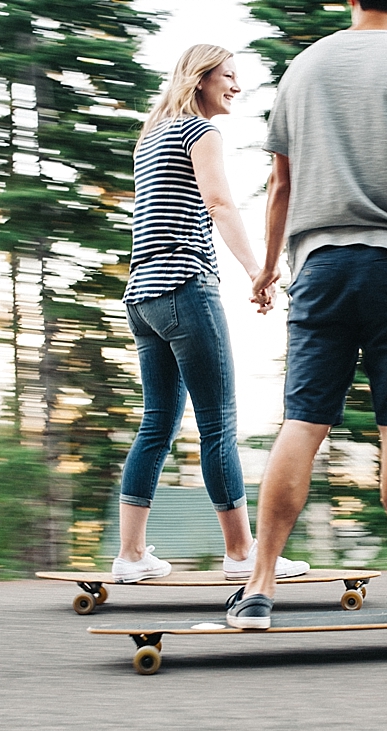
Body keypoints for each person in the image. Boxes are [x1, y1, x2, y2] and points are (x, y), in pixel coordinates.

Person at [225, 0, 387, 628]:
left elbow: (280, 184)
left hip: (318, 267)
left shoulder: (303, 69)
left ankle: (258, 588)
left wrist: (267, 264)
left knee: (303, 422)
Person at [112, 44, 309, 584]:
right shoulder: (201, 132)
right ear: (200, 80)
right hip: (185, 288)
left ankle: (129, 556)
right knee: (218, 423)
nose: (236, 86)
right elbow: (219, 204)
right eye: (228, 76)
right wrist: (257, 270)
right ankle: (242, 552)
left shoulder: (151, 135)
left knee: (157, 424)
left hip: (143, 297)